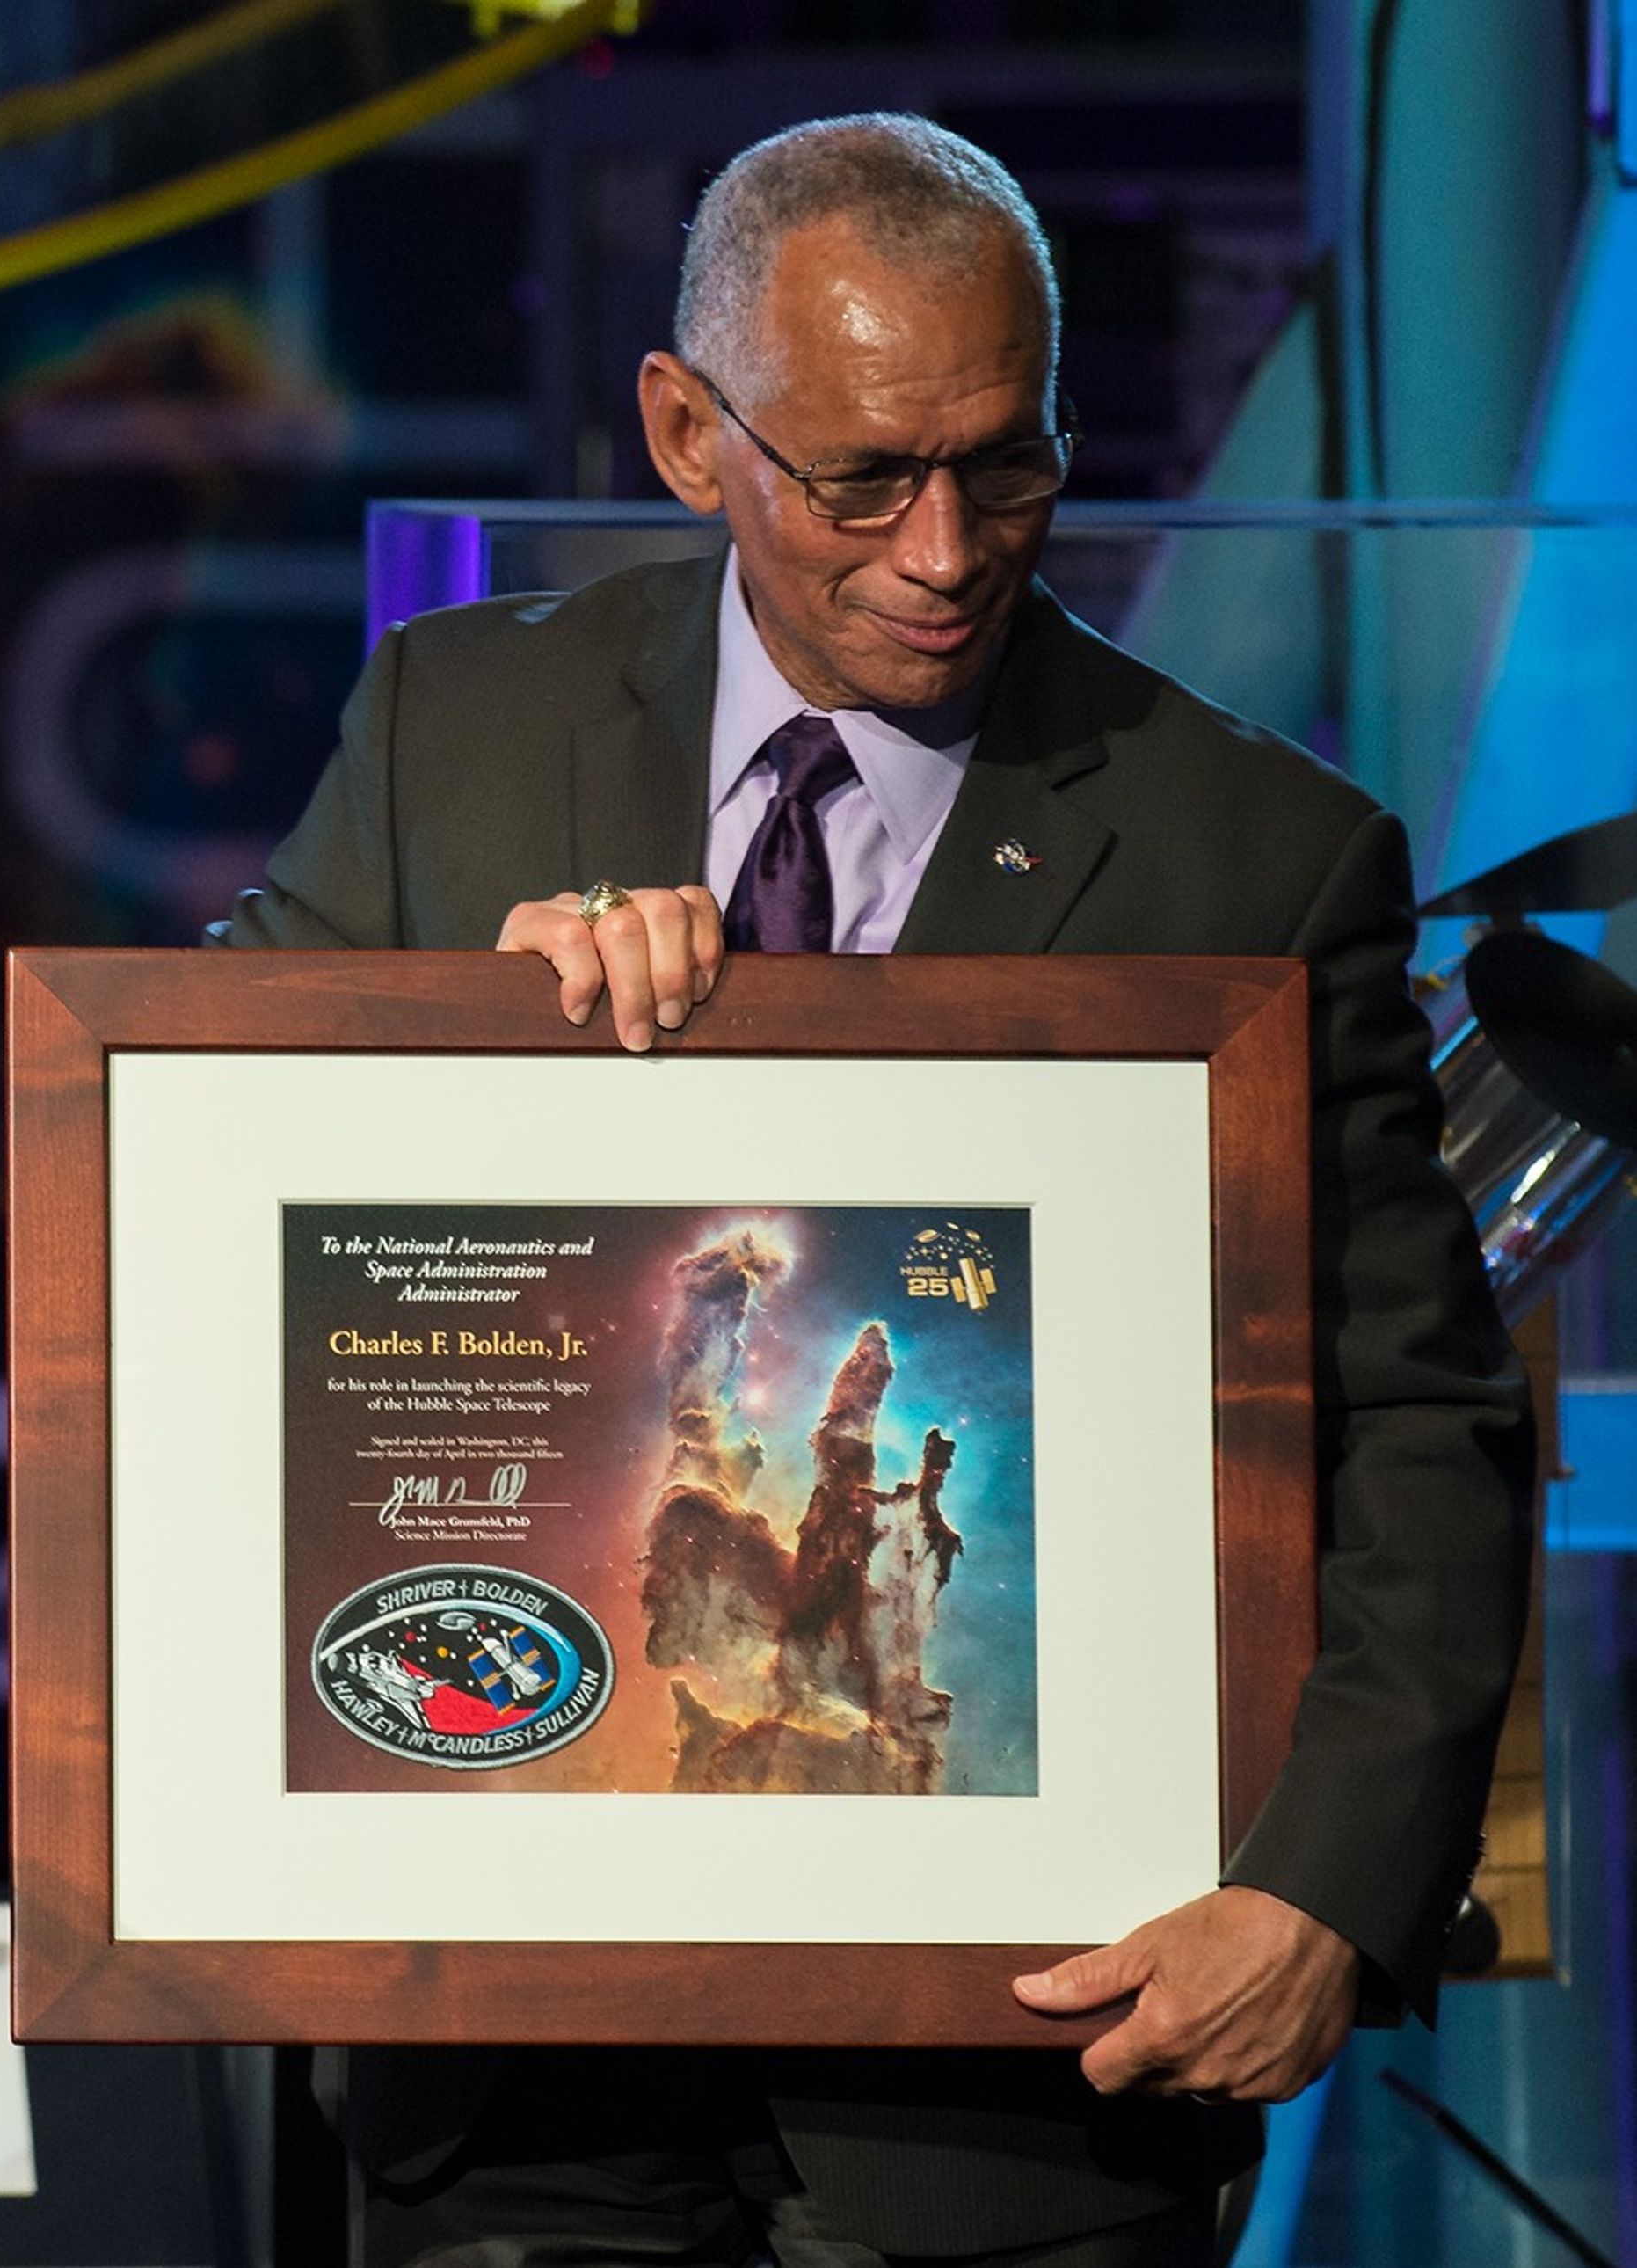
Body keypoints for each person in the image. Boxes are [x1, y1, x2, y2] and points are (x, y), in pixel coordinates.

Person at [214, 114, 1532, 2268]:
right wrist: (439, 1032)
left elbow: (1419, 1424)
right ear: (680, 431)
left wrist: (1318, 1895)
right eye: (861, 478)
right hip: (517, 2061)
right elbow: (176, 1182)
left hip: (1025, 2095)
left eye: (1006, 465)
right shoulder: (457, 723)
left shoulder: (1252, 855)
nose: (944, 549)